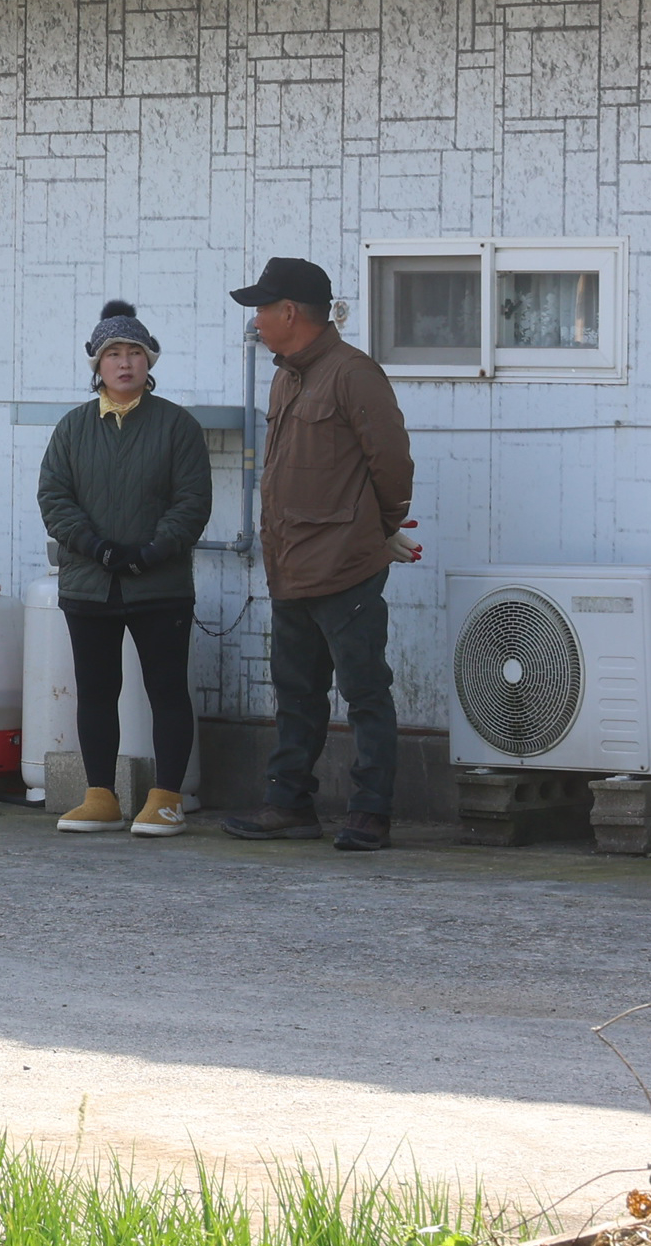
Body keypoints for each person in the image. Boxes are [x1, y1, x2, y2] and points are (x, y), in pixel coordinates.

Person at [218, 258, 419, 853]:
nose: (255, 320)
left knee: (365, 691)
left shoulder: (353, 373)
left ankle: (370, 811)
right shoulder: (286, 376)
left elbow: (392, 464)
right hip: (290, 565)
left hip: (345, 566)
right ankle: (288, 804)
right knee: (295, 693)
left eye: (262, 308)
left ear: (289, 312)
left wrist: (376, 529)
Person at [33, 299, 215, 836]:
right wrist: (96, 546)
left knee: (167, 691)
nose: (125, 362)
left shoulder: (177, 426)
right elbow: (54, 498)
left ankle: (167, 799)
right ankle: (100, 796)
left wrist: (153, 551)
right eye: (113, 353)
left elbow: (192, 501)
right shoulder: (72, 428)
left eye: (134, 352)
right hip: (89, 584)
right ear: (98, 364)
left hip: (161, 585)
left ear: (149, 361)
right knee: (95, 692)